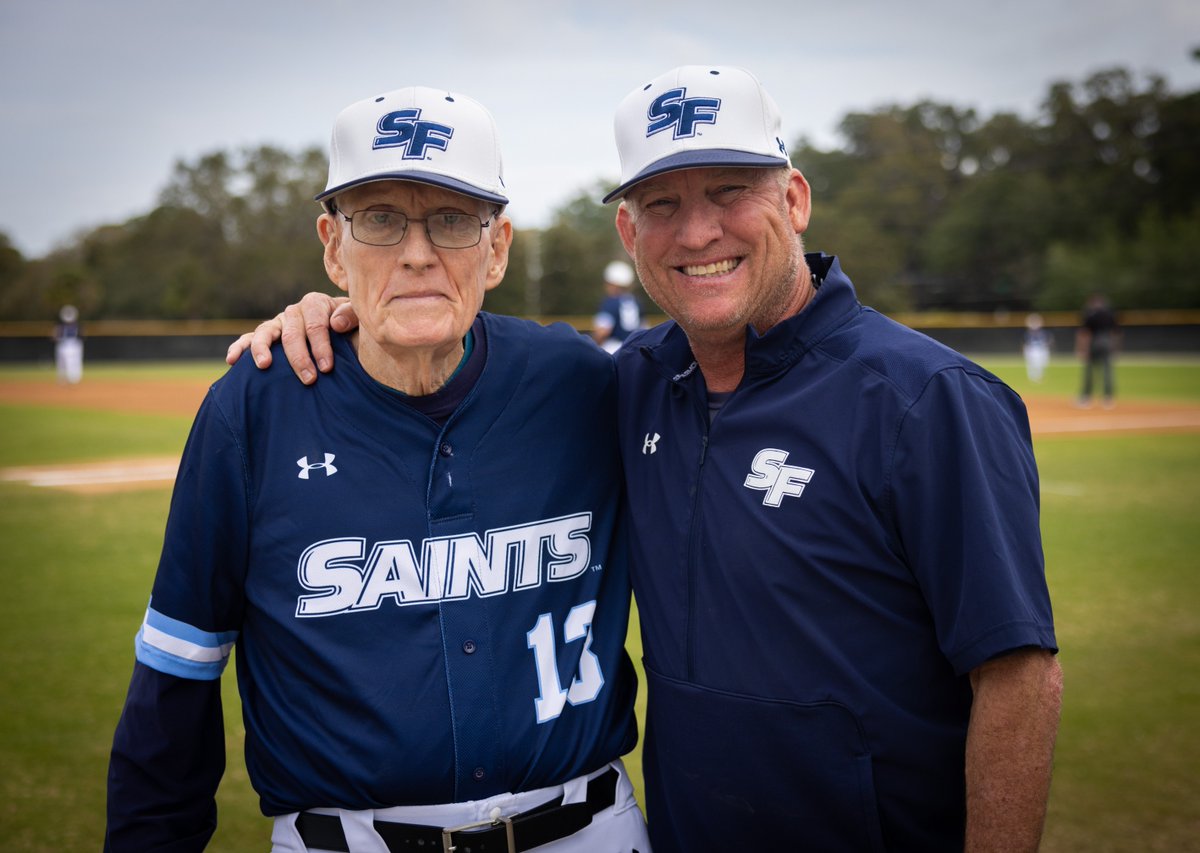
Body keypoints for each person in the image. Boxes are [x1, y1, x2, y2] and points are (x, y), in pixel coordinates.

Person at [231, 65, 1063, 852]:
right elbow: (443, 343)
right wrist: (336, 311)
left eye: (730, 190)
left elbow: (1019, 675)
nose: (697, 230)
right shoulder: (627, 384)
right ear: (629, 229)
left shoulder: (927, 398)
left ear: (796, 198)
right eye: (661, 202)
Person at [106, 85, 649, 853]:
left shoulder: (585, 383)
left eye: (454, 220)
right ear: (333, 246)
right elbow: (177, 678)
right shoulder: (254, 408)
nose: (418, 251)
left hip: (587, 829)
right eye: (380, 219)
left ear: (497, 249)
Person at [1076, 292, 1120, 407]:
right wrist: (1115, 348)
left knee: (1090, 371)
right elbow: (1116, 332)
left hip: (1094, 341)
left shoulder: (1091, 314)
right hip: (1107, 341)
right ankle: (1108, 398)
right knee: (1107, 371)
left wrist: (1083, 349)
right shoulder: (1110, 313)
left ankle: (1086, 398)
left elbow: (1085, 333)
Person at [591, 260, 642, 353]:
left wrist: (590, 348)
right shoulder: (636, 302)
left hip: (613, 350)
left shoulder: (610, 302)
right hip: (635, 350)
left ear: (614, 284)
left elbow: (602, 332)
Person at [54, 304, 83, 384]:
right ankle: (63, 378)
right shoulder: (61, 326)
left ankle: (73, 378)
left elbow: (81, 335)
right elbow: (56, 336)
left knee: (71, 362)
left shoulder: (76, 326)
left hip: (72, 344)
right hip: (63, 344)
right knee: (62, 362)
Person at [1022, 312, 1052, 382]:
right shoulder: (1028, 333)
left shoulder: (1042, 332)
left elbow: (1048, 340)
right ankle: (1033, 377)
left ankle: (1039, 376)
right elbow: (1025, 343)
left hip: (1040, 349)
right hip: (1032, 349)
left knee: (1041, 363)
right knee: (1032, 363)